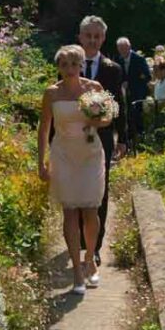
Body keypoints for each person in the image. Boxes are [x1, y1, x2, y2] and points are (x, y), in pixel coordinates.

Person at [38, 44, 112, 294]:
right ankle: (78, 275)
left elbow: (107, 118)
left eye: (74, 64)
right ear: (58, 67)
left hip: (90, 153)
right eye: (64, 64)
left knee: (91, 211)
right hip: (63, 154)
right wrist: (41, 161)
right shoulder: (51, 93)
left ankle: (89, 258)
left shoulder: (94, 88)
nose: (69, 69)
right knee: (69, 212)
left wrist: (96, 120)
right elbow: (44, 129)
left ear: (81, 64)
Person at [74, 14, 126, 265]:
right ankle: (79, 240)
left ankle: (94, 246)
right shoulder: (68, 65)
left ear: (103, 38)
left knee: (99, 192)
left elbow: (119, 106)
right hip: (72, 139)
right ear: (80, 37)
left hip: (102, 139)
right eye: (88, 36)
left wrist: (123, 138)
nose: (92, 41)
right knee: (76, 190)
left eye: (97, 36)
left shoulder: (113, 70)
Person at [116, 35, 151, 152]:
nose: (122, 51)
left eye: (124, 49)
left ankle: (140, 141)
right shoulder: (119, 60)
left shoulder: (139, 59)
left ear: (129, 47)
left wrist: (131, 82)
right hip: (125, 93)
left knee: (137, 117)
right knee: (127, 117)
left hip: (138, 93)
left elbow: (147, 76)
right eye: (120, 49)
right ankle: (130, 142)